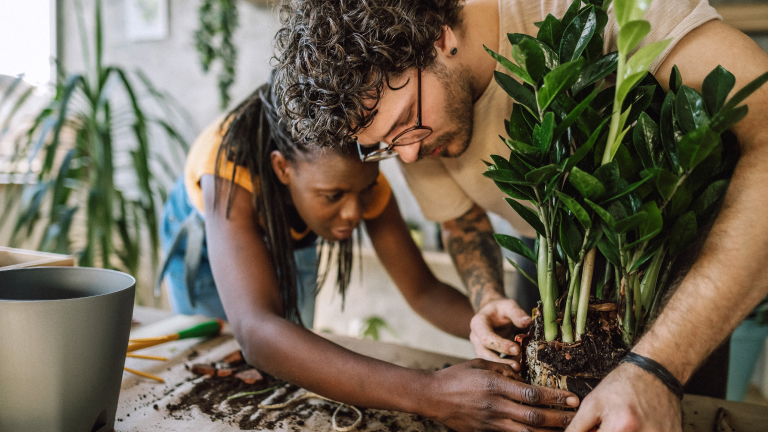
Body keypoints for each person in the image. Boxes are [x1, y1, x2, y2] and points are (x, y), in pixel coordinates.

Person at [272, 0, 768, 430]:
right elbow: (461, 220)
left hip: (671, 264)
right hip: (548, 257)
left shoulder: (593, 12)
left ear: (440, 37)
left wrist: (657, 368)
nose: (405, 157)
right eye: (380, 147)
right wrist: (486, 299)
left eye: (404, 125)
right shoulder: (411, 127)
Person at [158, 81, 581, 431]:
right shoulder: (228, 167)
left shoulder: (355, 180)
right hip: (206, 237)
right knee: (225, 352)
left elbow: (423, 291)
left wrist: (509, 341)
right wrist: (430, 393)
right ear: (282, 168)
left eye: (364, 191)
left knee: (291, 356)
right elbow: (257, 331)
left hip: (292, 228)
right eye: (333, 196)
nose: (354, 213)